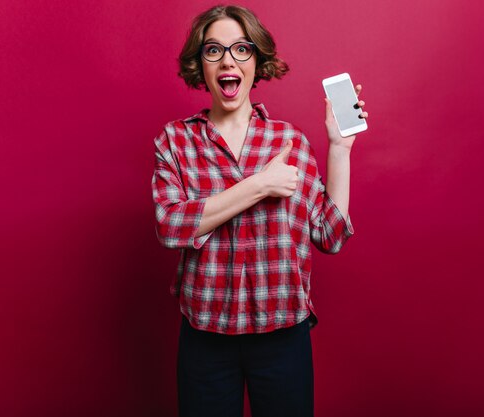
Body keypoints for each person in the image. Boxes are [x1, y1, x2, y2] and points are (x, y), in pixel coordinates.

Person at [151, 5, 367, 417]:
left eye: (240, 49)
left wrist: (340, 150)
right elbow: (170, 225)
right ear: (201, 63)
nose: (228, 59)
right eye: (214, 50)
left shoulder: (291, 141)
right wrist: (258, 185)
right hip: (206, 338)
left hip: (284, 338)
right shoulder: (175, 141)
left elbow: (330, 236)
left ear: (257, 60)